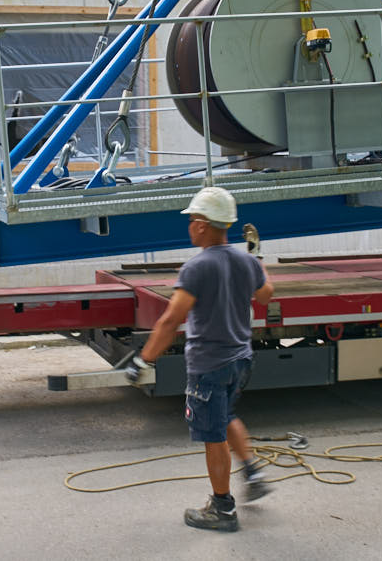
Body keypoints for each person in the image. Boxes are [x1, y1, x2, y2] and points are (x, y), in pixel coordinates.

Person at [125, 186, 275, 533]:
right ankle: (253, 471)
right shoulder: (246, 261)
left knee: (212, 435)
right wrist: (257, 257)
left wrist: (143, 361)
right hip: (241, 359)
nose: (189, 226)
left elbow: (170, 320)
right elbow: (266, 296)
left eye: (192, 220)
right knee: (226, 417)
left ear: (205, 225)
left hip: (209, 364)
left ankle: (222, 509)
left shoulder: (196, 268)